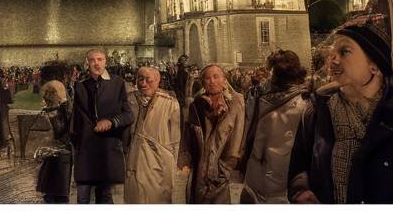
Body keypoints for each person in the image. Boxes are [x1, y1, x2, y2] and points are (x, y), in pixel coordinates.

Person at [288, 14, 393, 204]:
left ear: (374, 66)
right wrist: (300, 191)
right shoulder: (318, 110)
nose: (332, 59)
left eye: (344, 52)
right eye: (332, 53)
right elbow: (299, 164)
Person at [240, 50, 309, 203]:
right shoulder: (260, 100)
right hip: (258, 178)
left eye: (271, 72)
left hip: (280, 182)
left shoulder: (306, 104)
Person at [71, 49, 134, 204]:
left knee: (105, 196)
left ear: (106, 61)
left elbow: (128, 115)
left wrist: (111, 122)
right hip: (85, 150)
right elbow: (76, 119)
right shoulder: (80, 86)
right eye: (92, 60)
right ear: (87, 63)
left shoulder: (117, 83)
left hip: (107, 149)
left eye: (100, 59)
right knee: (83, 197)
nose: (96, 63)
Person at [178, 64, 245, 204]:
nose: (212, 81)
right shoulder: (196, 105)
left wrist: (226, 167)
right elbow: (188, 136)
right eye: (207, 78)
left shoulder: (235, 104)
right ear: (203, 83)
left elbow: (239, 136)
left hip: (221, 170)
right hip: (199, 167)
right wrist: (185, 161)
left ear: (224, 79)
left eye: (216, 77)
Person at [124, 67, 181, 204]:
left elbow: (175, 138)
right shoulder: (129, 100)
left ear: (157, 81)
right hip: (135, 159)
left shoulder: (169, 102)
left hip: (160, 162)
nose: (143, 83)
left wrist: (173, 162)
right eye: (140, 79)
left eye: (148, 80)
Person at [36, 79, 73, 203]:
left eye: (49, 95)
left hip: (62, 155)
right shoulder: (57, 109)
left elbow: (61, 130)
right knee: (50, 193)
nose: (46, 99)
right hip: (52, 154)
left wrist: (52, 115)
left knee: (59, 194)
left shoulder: (65, 109)